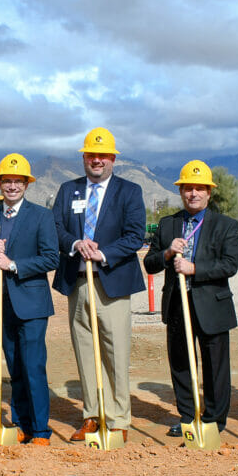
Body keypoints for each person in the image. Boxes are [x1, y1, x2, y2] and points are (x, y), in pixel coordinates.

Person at [52, 128, 145, 442]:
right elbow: (56, 229)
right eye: (91, 155)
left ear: (113, 159)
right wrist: (77, 242)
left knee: (115, 351)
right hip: (77, 282)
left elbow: (134, 236)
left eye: (102, 155)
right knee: (85, 351)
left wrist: (103, 252)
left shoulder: (129, 191)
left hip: (112, 283)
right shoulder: (68, 191)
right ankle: (92, 415)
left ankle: (118, 418)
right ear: (84, 158)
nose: (96, 160)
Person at [142, 160, 238, 437]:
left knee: (215, 366)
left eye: (199, 188)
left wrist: (195, 269)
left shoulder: (226, 225)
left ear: (209, 192)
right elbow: (150, 264)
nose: (193, 193)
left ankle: (213, 420)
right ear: (181, 192)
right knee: (182, 364)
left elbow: (230, 265)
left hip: (213, 306)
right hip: (176, 305)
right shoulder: (168, 224)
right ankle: (187, 417)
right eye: (187, 188)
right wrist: (168, 254)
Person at [0, 154, 59, 445]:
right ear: (0, 184)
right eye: (7, 181)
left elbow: (51, 258)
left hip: (32, 304)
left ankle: (40, 430)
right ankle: (20, 424)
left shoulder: (41, 216)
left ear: (26, 184)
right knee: (14, 368)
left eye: (17, 181)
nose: (12, 186)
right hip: (3, 302)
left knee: (33, 366)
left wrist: (12, 264)